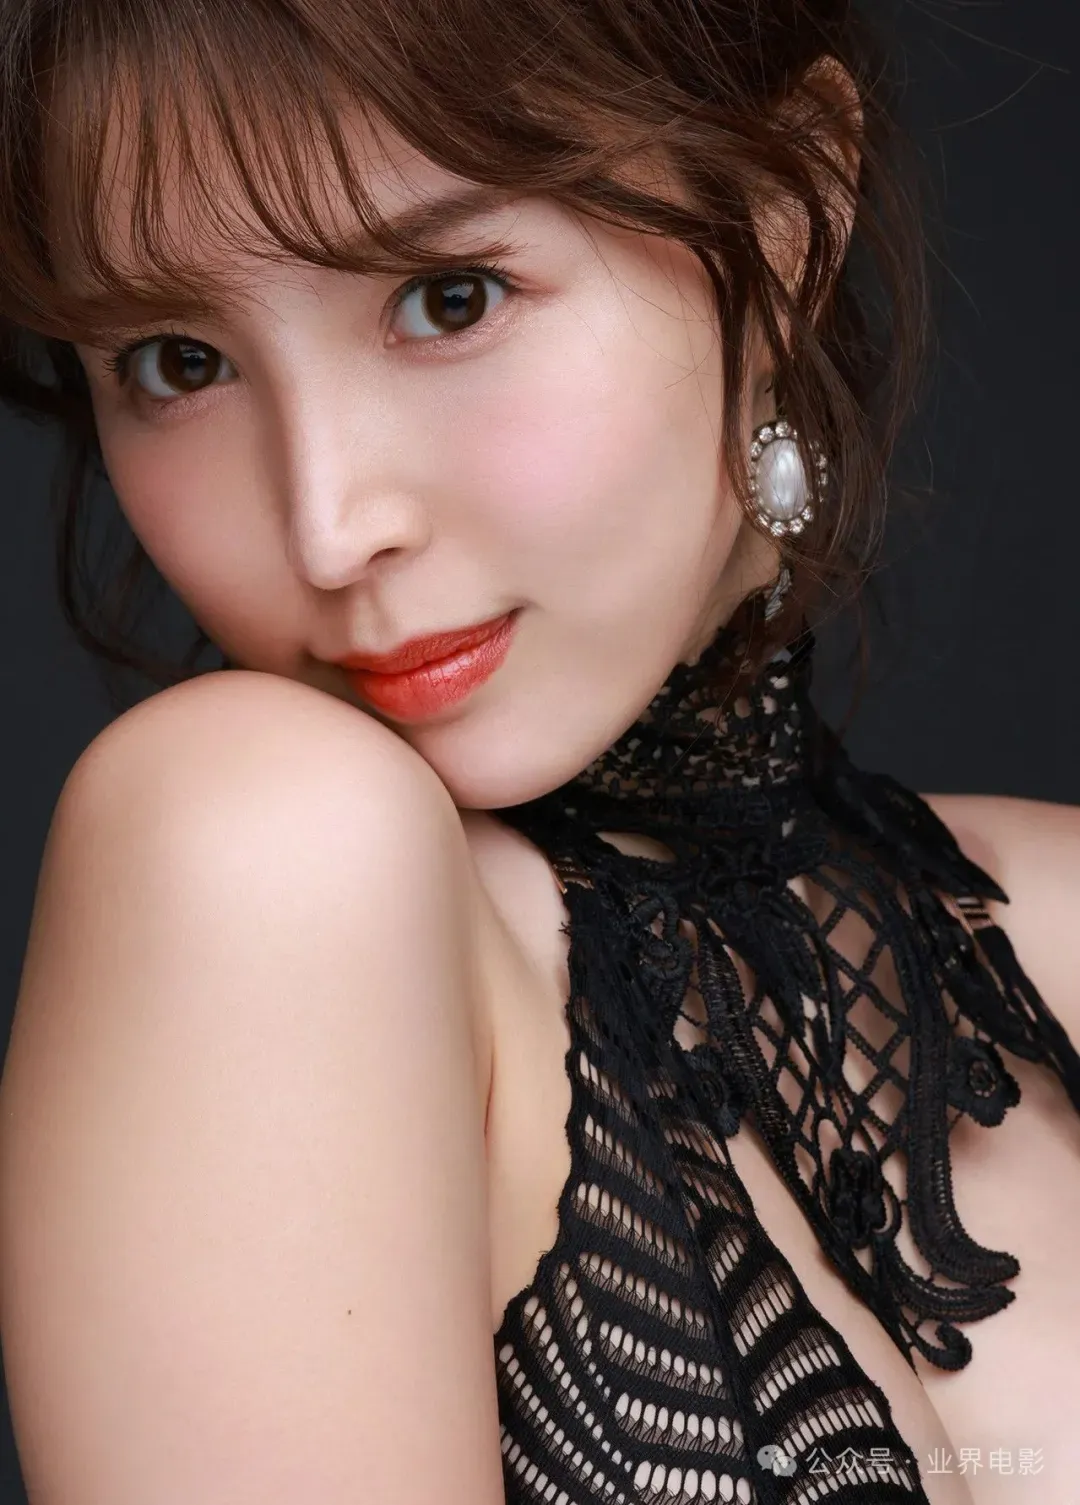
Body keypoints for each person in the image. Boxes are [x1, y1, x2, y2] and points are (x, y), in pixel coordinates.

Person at [0, 0, 1076, 1501]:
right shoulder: (252, 851)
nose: (328, 525)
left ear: (783, 231)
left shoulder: (1054, 917)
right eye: (179, 362)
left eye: (448, 299)